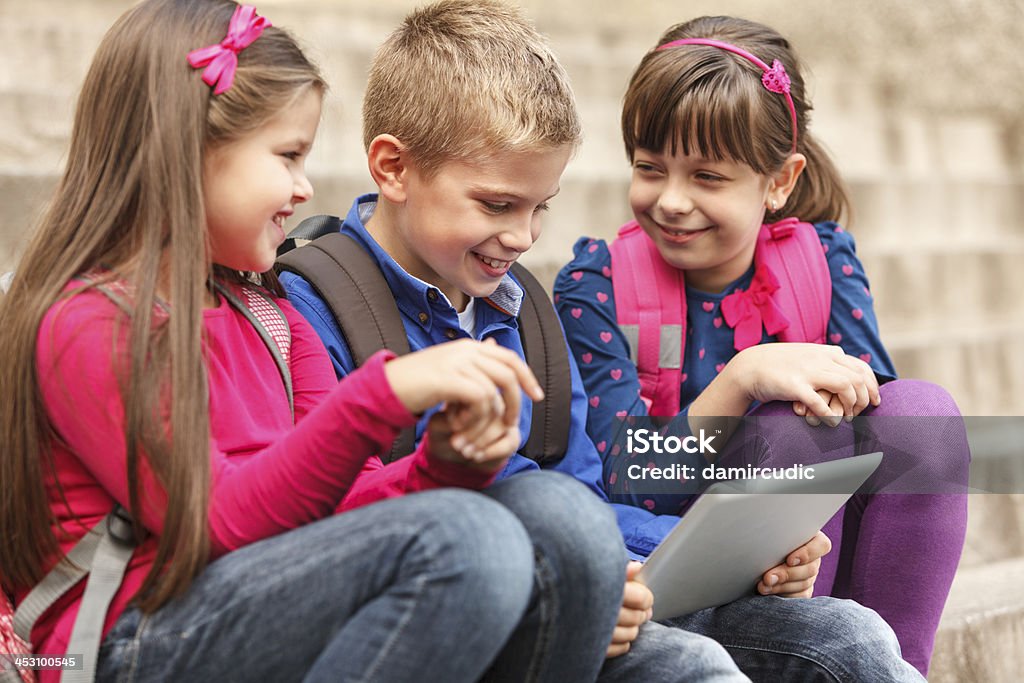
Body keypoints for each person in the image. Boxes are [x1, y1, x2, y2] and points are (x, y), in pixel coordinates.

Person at [281, 2, 925, 681]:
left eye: (541, 207)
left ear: (779, 184)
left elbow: (583, 492)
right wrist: (580, 567)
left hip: (610, 578)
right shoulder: (318, 305)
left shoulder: (521, 305)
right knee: (694, 669)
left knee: (850, 639)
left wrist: (712, 558)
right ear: (392, 168)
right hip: (464, 607)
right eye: (499, 205)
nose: (525, 237)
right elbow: (335, 518)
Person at [0, 2, 634, 681]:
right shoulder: (86, 321)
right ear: (186, 150)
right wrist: (383, 393)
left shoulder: (272, 315)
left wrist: (447, 465)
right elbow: (211, 522)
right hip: (123, 638)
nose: (305, 187)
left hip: (257, 592)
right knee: (467, 540)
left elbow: (341, 504)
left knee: (559, 516)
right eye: (288, 156)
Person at [553, 15, 970, 677]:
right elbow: (617, 474)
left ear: (779, 181)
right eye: (649, 168)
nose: (671, 200)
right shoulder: (597, 286)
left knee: (922, 416)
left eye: (708, 177)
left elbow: (884, 432)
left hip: (809, 564)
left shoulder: (824, 260)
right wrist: (743, 377)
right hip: (683, 579)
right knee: (785, 425)